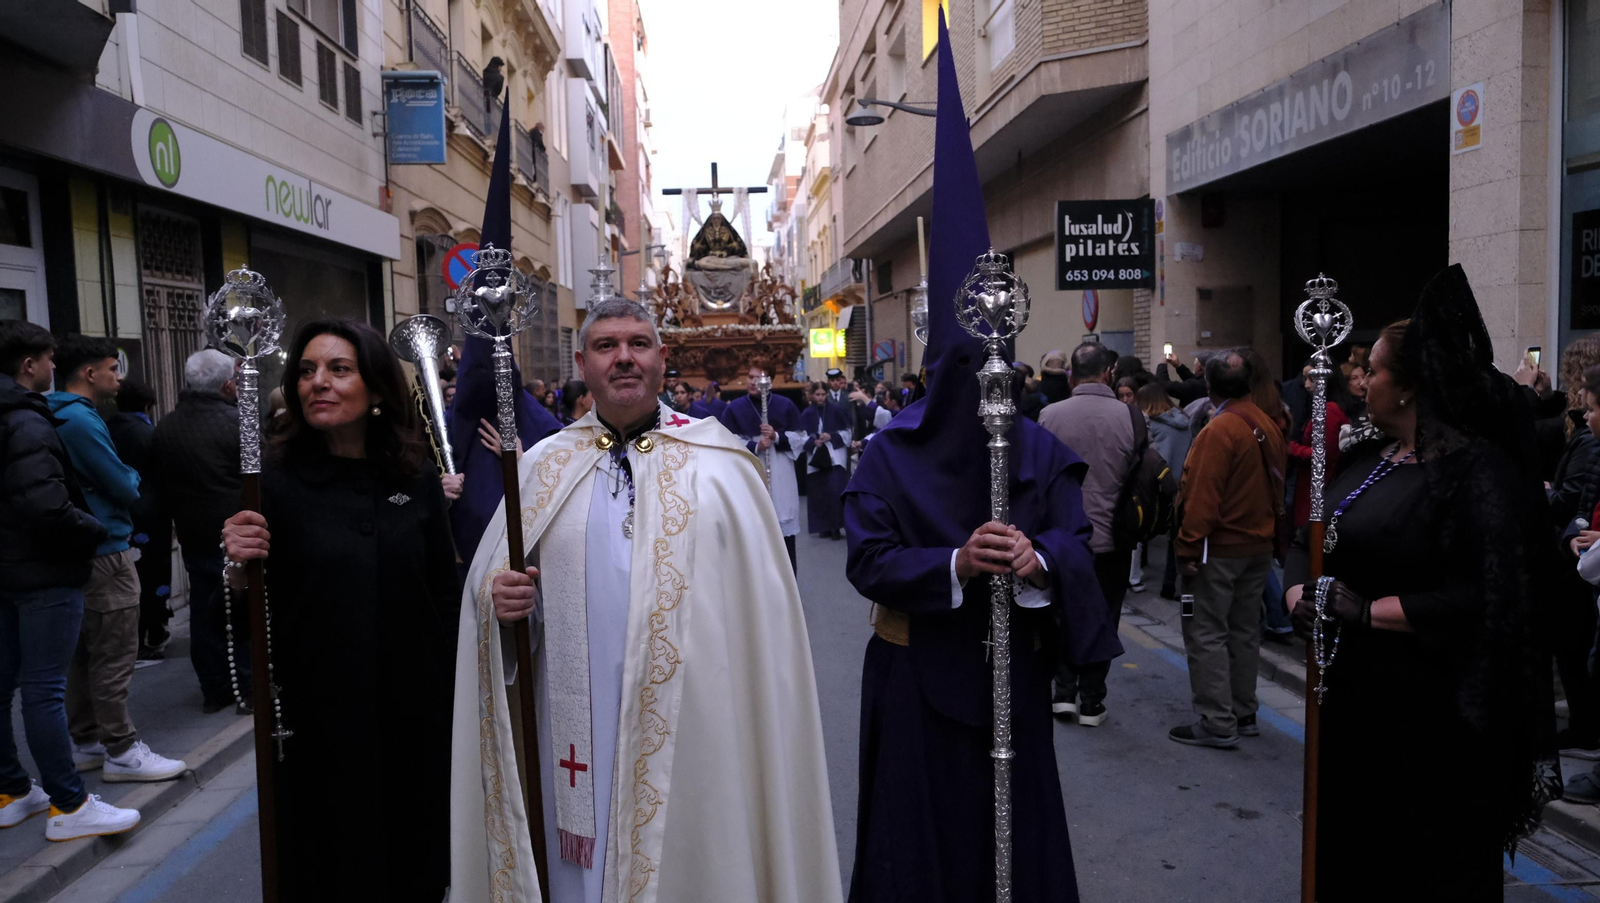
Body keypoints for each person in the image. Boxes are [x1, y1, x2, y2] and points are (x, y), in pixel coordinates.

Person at [844, 24, 1120, 893]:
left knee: (1015, 849)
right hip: (915, 682)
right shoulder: (888, 454)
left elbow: (1082, 545)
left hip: (1013, 679)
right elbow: (868, 558)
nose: (982, 391)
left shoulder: (1039, 450)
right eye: (965, 371)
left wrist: (1038, 558)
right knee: (917, 853)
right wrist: (958, 561)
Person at [452, 298, 841, 903]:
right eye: (607, 346)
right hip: (574, 726)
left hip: (698, 724)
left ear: (663, 359)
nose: (624, 358)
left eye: (638, 344)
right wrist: (500, 607)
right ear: (582, 363)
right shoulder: (543, 467)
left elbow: (765, 633)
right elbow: (495, 596)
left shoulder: (722, 469)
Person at [1286, 266, 1560, 898]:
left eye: (1374, 371)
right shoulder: (1366, 455)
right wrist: (1302, 591)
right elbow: (1311, 538)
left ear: (1410, 387)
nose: (1361, 382)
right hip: (1351, 704)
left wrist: (1367, 611)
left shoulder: (1479, 475)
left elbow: (1494, 598)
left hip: (1430, 719)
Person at [221, 319, 461, 901]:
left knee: (413, 860)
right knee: (329, 864)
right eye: (306, 371)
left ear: (376, 389)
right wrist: (235, 565)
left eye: (338, 369)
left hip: (414, 715)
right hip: (318, 719)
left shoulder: (414, 472)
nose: (317, 383)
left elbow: (443, 592)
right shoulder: (271, 480)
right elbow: (249, 605)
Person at [0, 321, 139, 842]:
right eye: (48, 359)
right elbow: (46, 504)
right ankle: (70, 803)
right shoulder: (28, 420)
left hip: (10, 570)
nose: (53, 368)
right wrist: (94, 529)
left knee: (11, 685)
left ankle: (13, 791)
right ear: (29, 365)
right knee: (44, 689)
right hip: (42, 571)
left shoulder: (25, 416)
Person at [47, 335, 186, 782]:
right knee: (113, 654)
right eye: (112, 368)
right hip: (106, 552)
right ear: (90, 374)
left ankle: (86, 740)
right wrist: (127, 474)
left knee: (84, 654)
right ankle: (122, 751)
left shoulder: (54, 413)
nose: (119, 377)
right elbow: (125, 485)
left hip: (77, 552)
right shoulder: (81, 422)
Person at [1169, 350, 1284, 748]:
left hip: (1219, 549)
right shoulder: (1266, 422)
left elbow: (1202, 498)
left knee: (1206, 632)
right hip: (1257, 546)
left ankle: (1218, 721)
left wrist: (1186, 549)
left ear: (1209, 385)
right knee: (1243, 630)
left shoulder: (1220, 430)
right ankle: (1243, 711)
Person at [1038, 341, 1137, 726]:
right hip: (1114, 532)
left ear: (1072, 375)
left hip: (1062, 535)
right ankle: (1092, 699)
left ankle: (1063, 691)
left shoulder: (1049, 415)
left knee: (1061, 610)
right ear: (1107, 373)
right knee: (1104, 614)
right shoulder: (1130, 417)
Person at [150, 349, 250, 713]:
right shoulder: (239, 423)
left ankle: (215, 686)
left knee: (204, 609)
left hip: (193, 535)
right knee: (242, 607)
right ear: (228, 385)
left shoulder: (166, 426)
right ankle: (248, 685)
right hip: (237, 535)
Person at [106, 378, 172, 663]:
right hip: (151, 516)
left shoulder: (105, 430)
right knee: (154, 574)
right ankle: (153, 632)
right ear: (147, 405)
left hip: (117, 515)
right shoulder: (149, 435)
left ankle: (131, 634)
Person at [720, 366, 807, 570]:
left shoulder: (785, 405)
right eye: (749, 377)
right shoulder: (735, 408)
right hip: (750, 472)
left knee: (783, 538)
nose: (752, 382)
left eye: (757, 378)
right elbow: (725, 440)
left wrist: (777, 436)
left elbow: (801, 438)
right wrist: (755, 446)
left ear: (770, 381)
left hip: (780, 472)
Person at [1140, 383, 1192, 600]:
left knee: (1146, 525)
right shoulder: (1183, 419)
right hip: (1182, 480)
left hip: (1161, 479)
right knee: (1175, 533)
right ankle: (1170, 582)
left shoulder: (1152, 424)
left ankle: (1140, 572)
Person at [1287, 365, 1351, 527]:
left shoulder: (1329, 410)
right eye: (1305, 378)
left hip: (1317, 487)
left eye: (1313, 379)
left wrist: (1291, 448)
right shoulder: (1324, 407)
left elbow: (1322, 455)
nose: (1307, 385)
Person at [802, 381, 850, 540]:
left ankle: (836, 526)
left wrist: (832, 436)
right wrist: (812, 442)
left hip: (834, 456)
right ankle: (823, 526)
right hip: (816, 457)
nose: (821, 398)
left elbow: (847, 432)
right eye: (818, 395)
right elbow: (800, 436)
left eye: (823, 395)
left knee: (835, 491)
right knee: (819, 494)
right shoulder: (807, 413)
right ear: (812, 395)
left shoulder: (837, 410)